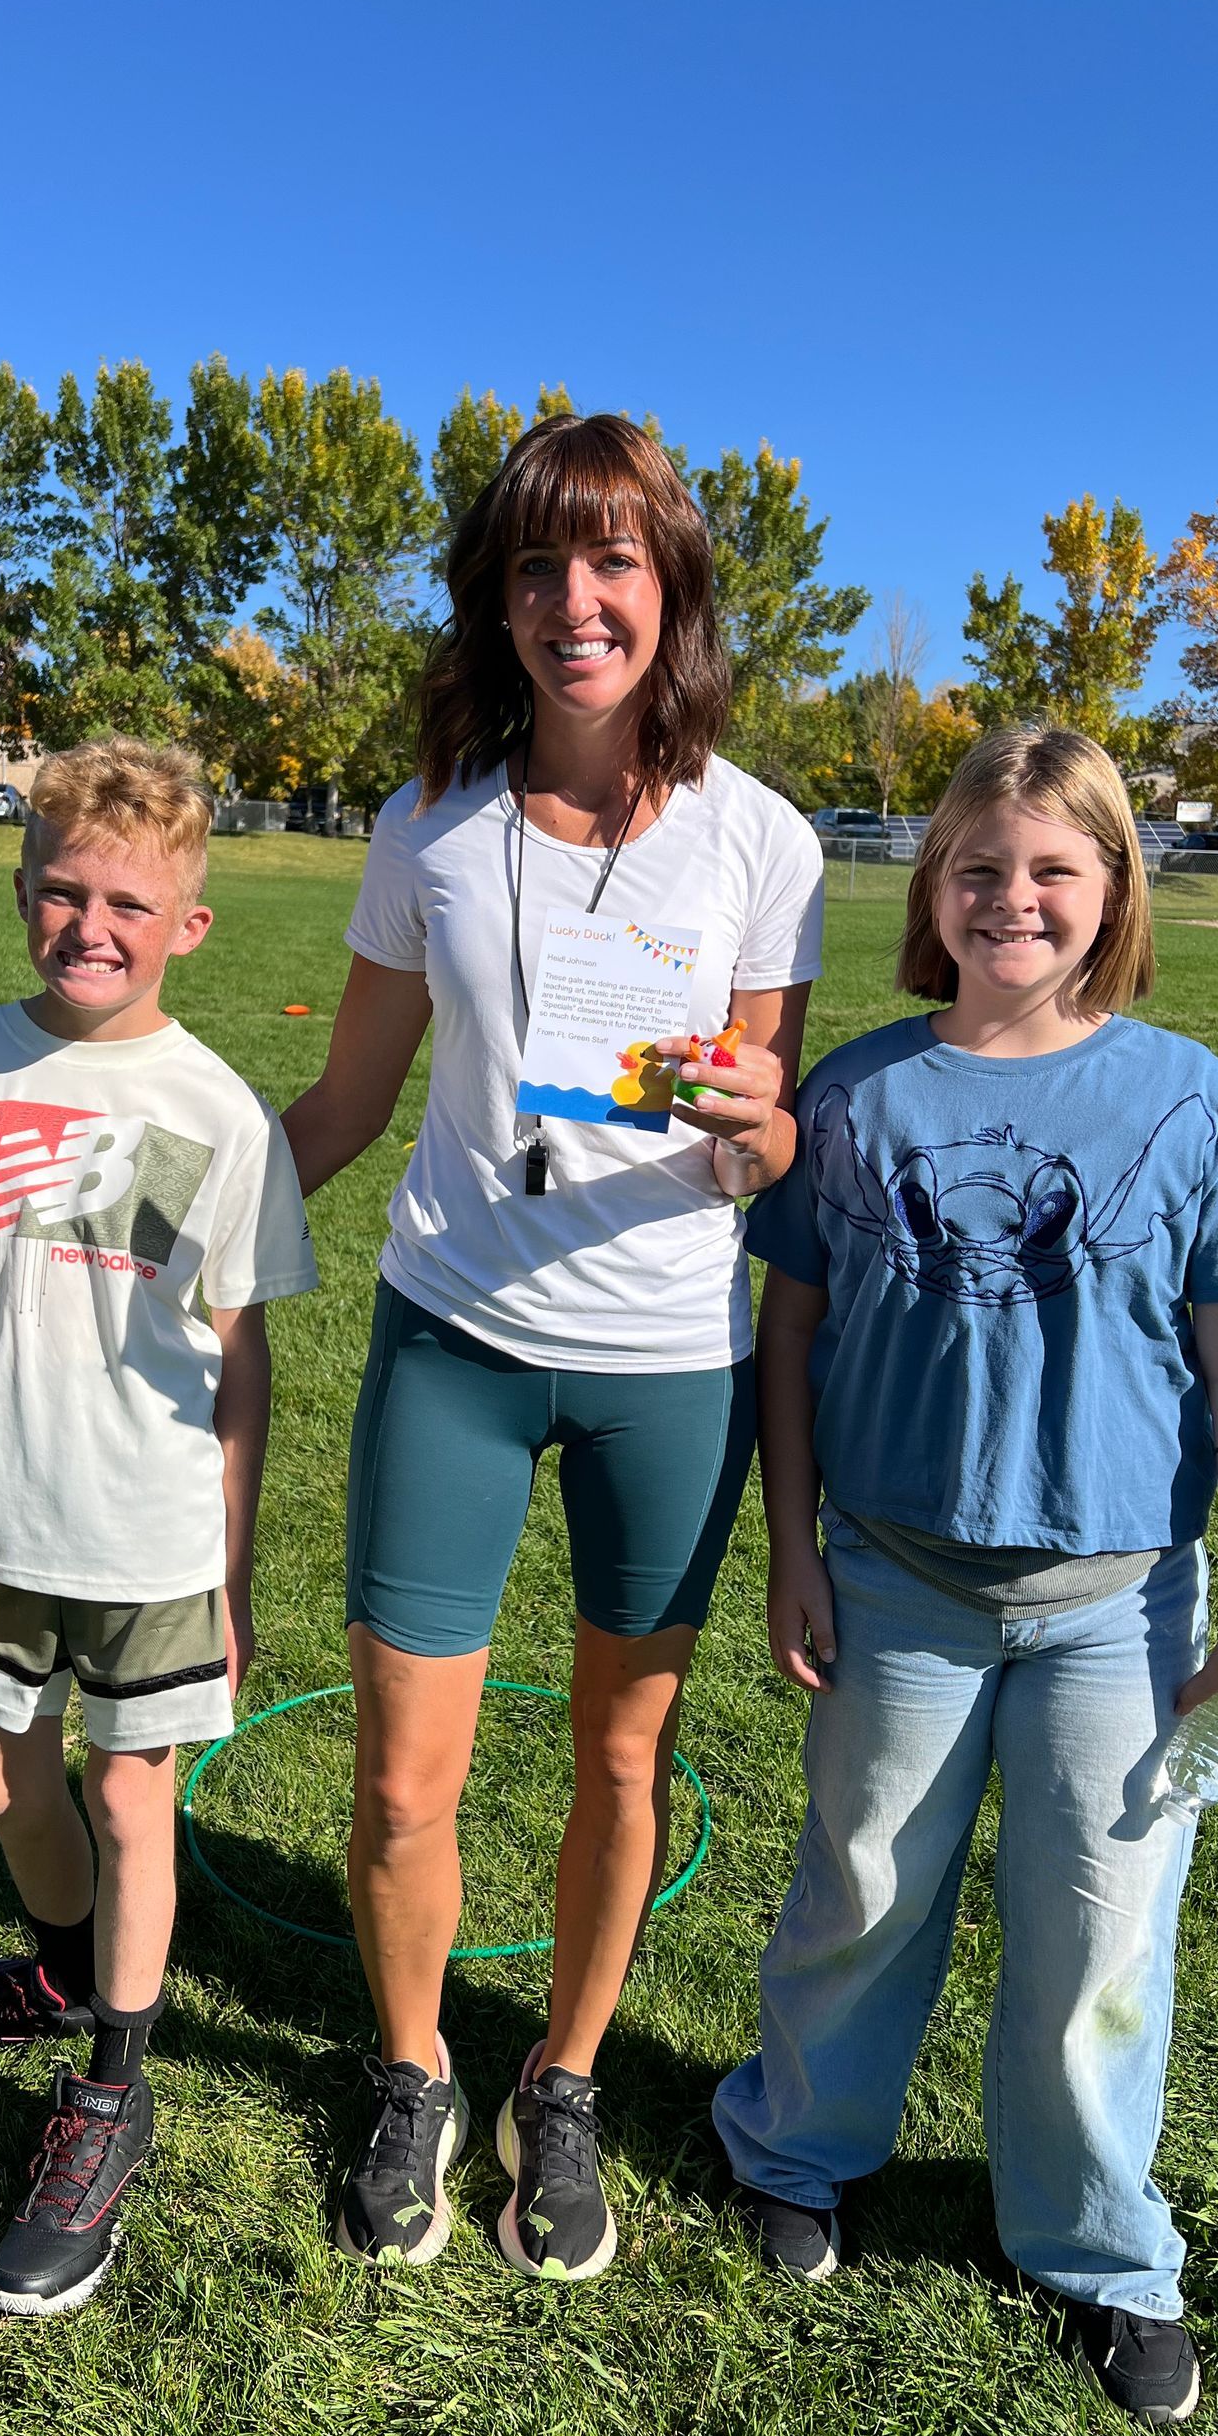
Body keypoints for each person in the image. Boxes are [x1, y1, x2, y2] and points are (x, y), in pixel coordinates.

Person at [711, 724, 1218, 2423]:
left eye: (1055, 869)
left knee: (1096, 1944)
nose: (1014, 898)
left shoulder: (1194, 1102)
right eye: (980, 867)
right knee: (862, 1889)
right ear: (933, 885)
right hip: (898, 1585)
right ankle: (797, 2146)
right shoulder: (850, 1094)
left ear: (1115, 889)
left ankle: (1097, 2248)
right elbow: (789, 1337)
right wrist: (794, 1550)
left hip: (1121, 1614)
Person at [282, 413, 823, 2280]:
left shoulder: (760, 837)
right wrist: (181, 1221)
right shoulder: (427, 819)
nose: (573, 603)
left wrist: (758, 1117)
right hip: (454, 1340)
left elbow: (766, 1140)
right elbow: (348, 1103)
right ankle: (419, 2069)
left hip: (667, 1364)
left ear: (668, 591)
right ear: (494, 600)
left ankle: (568, 2079)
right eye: (535, 566)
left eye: (610, 565)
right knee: (401, 1778)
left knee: (619, 1766)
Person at [0, 737, 318, 2315]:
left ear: (189, 923)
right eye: (59, 889)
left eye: (128, 901)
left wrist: (234, 1568)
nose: (88, 924)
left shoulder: (220, 1112)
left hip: (154, 1537)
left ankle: (109, 2088)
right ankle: (55, 1969)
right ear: (21, 885)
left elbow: (241, 1356)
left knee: (132, 1802)